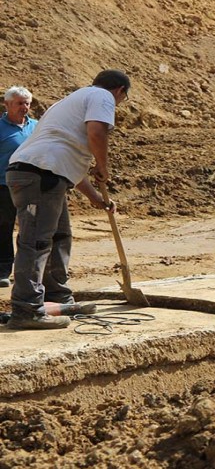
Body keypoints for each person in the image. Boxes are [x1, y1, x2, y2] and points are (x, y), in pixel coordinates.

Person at [5, 70, 130, 330]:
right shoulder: (101, 96)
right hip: (38, 174)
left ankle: (56, 297)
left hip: (46, 173)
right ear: (119, 91)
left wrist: (97, 198)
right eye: (122, 99)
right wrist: (103, 166)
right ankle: (26, 308)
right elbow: (97, 133)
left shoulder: (72, 101)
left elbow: (68, 161)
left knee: (60, 235)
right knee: (37, 242)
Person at [0, 86, 37, 287]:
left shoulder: (37, 127)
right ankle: (3, 269)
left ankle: (29, 271)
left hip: (31, 187)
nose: (24, 107)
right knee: (3, 227)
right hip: (4, 186)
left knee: (31, 228)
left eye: (27, 103)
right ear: (7, 105)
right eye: (19, 103)